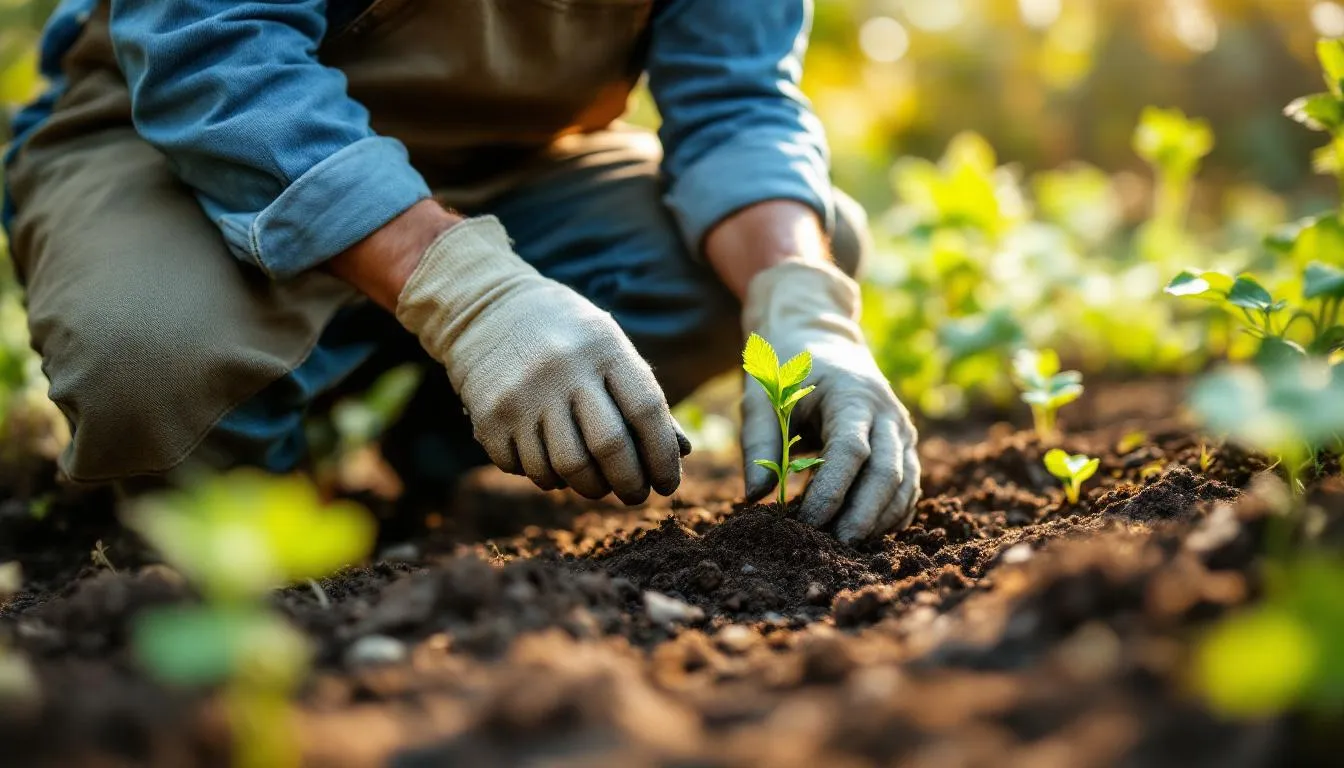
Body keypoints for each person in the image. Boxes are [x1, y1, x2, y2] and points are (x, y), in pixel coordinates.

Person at [3, 0, 920, 542]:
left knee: (801, 239)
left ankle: (444, 461)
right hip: (187, 148)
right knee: (147, 359)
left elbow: (737, 104)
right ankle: (257, 501)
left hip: (500, 167)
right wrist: (468, 296)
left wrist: (806, 306)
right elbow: (213, 57)